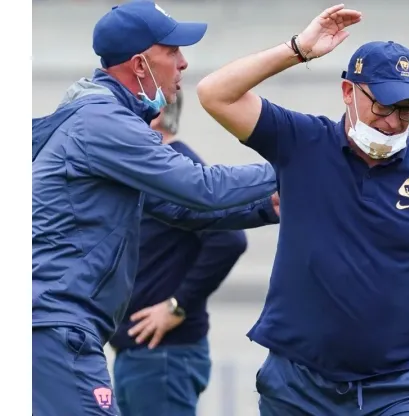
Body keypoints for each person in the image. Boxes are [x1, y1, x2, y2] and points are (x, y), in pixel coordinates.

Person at [197, 4, 409, 415]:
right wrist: (297, 49)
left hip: (404, 387)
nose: (393, 122)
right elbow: (215, 93)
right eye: (383, 106)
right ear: (348, 92)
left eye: (407, 109)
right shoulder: (301, 142)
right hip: (298, 386)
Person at [31, 2, 277, 415]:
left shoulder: (101, 118)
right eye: (173, 51)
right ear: (140, 64)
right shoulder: (103, 122)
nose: (183, 63)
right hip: (55, 328)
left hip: (53, 327)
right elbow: (202, 188)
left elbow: (182, 210)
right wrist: (298, 160)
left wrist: (268, 206)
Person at [109, 91, 280, 416]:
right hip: (144, 355)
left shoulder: (177, 169)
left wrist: (178, 305)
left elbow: (228, 240)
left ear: (154, 113)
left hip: (162, 356)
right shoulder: (153, 171)